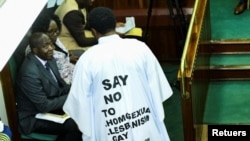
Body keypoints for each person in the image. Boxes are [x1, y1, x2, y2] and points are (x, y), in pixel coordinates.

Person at [63, 7, 173, 141]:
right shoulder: (139, 47)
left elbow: (79, 105)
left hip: (109, 131)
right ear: (115, 24)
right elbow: (157, 88)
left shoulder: (87, 60)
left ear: (94, 31)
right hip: (145, 124)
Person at [16, 32, 82, 141]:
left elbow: (62, 85)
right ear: (35, 50)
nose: (51, 48)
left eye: (50, 44)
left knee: (83, 111)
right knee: (74, 124)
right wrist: (71, 96)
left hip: (52, 105)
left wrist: (77, 91)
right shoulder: (29, 73)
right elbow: (43, 106)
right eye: (46, 46)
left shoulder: (49, 58)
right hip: (34, 116)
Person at [26, 10, 76, 84]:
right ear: (41, 32)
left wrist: (68, 56)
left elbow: (63, 53)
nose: (55, 34)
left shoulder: (54, 39)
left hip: (71, 70)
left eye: (56, 30)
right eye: (51, 31)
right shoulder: (36, 49)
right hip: (65, 81)